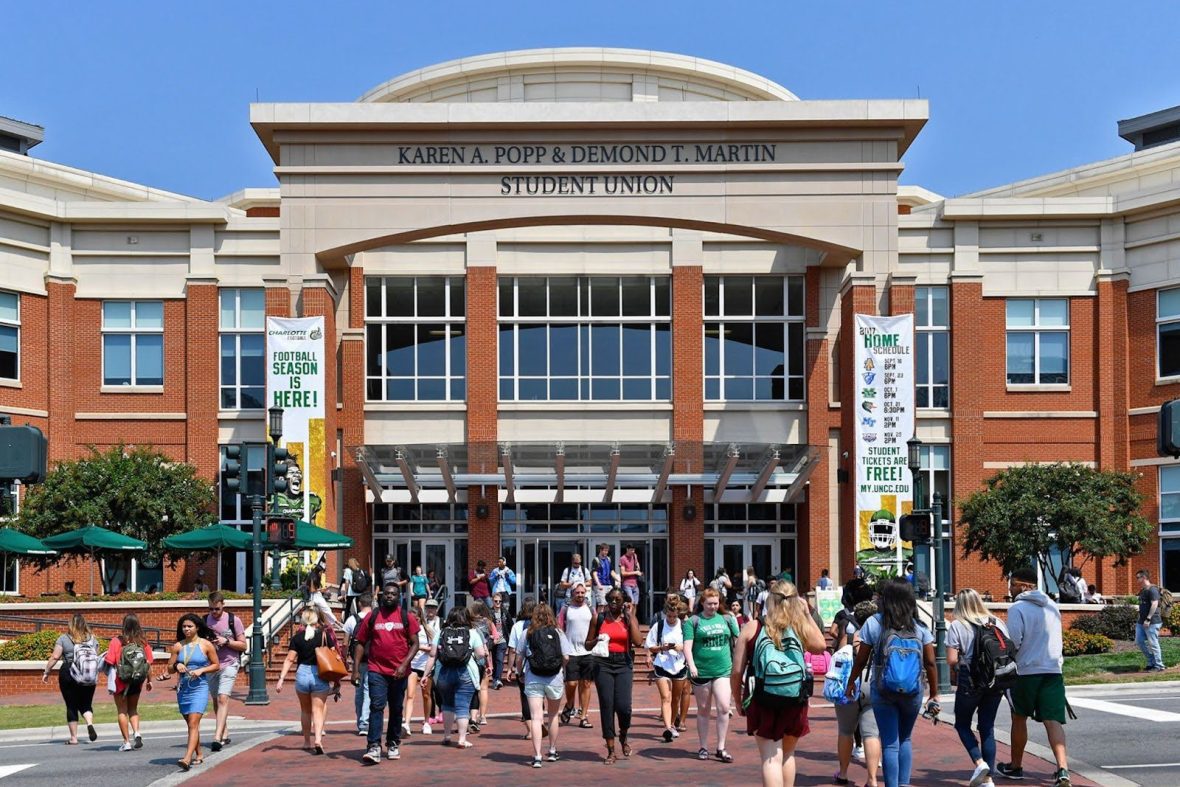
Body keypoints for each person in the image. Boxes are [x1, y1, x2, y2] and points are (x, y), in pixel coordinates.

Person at [731, 581, 826, 787]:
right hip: (794, 697)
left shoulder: (753, 627)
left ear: (770, 599)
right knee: (788, 755)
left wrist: (737, 700)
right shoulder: (798, 626)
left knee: (770, 757)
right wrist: (806, 613)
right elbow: (821, 645)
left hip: (762, 697)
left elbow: (737, 670)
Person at [846, 578, 938, 787]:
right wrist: (933, 693)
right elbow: (931, 663)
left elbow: (861, 659)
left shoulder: (875, 623)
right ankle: (904, 784)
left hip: (883, 689)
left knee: (890, 743)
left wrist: (852, 681)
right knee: (905, 739)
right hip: (913, 691)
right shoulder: (920, 627)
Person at [996, 567, 1071, 787]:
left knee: (1019, 718)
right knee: (1052, 720)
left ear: (1023, 585)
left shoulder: (1017, 608)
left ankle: (1016, 766)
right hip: (1052, 670)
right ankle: (1063, 769)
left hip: (1026, 672)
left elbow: (1014, 642)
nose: (1010, 589)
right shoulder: (1052, 606)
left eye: (1012, 584)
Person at [352, 581, 421, 764]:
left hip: (399, 672)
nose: (389, 596)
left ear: (399, 597)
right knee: (376, 706)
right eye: (387, 593)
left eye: (393, 594)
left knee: (396, 709)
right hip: (376, 669)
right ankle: (374, 745)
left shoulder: (406, 617)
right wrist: (356, 669)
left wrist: (404, 664)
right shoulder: (373, 616)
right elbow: (360, 642)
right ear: (382, 595)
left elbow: (415, 643)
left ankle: (392, 742)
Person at [948, 588, 1009, 787]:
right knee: (987, 727)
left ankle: (979, 761)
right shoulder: (996, 622)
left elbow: (951, 659)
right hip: (995, 679)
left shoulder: (958, 625)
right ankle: (988, 779)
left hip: (970, 679)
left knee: (962, 724)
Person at [684, 586, 741, 764]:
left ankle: (721, 747)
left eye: (716, 603)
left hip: (723, 669)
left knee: (724, 707)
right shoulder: (693, 621)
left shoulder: (727, 619)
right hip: (701, 671)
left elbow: (738, 641)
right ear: (702, 603)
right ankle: (703, 746)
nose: (713, 607)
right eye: (709, 604)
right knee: (703, 709)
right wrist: (691, 664)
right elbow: (687, 646)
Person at [586, 588, 644, 764]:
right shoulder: (599, 618)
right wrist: (598, 640)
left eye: (617, 600)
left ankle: (623, 735)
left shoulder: (628, 618)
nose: (613, 603)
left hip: (623, 663)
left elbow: (638, 641)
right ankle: (611, 750)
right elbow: (587, 645)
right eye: (610, 599)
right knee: (607, 705)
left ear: (623, 601)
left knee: (624, 706)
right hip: (603, 663)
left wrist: (630, 615)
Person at [158, 613, 220, 771]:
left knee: (193, 722)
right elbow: (169, 669)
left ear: (197, 627)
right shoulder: (178, 646)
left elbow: (216, 665)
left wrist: (201, 670)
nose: (186, 629)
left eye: (189, 626)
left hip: (199, 686)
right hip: (184, 688)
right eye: (184, 626)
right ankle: (199, 753)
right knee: (191, 724)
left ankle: (187, 758)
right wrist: (177, 665)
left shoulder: (206, 645)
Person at [276, 606, 340, 754]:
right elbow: (334, 655)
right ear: (317, 621)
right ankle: (318, 739)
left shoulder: (297, 638)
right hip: (319, 674)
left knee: (305, 711)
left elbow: (289, 659)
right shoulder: (323, 636)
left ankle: (306, 742)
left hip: (302, 674)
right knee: (317, 710)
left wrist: (281, 679)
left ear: (303, 622)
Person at [515, 602, 571, 768]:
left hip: (533, 677)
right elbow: (566, 657)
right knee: (553, 716)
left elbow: (519, 657)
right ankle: (552, 751)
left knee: (536, 717)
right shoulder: (558, 632)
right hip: (554, 678)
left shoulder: (528, 632)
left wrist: (520, 673)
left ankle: (538, 755)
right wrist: (560, 667)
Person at [422, 605, 487, 749]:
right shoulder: (472, 632)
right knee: (463, 706)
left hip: (444, 673)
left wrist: (425, 675)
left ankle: (447, 735)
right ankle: (462, 739)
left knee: (447, 704)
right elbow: (481, 653)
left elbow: (433, 655)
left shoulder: (441, 632)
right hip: (465, 672)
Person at [833, 601, 882, 787]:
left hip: (850, 684)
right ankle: (872, 778)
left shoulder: (851, 635)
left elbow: (839, 658)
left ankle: (844, 774)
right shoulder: (879, 634)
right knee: (871, 733)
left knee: (845, 730)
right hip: (872, 684)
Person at [41, 612, 99, 745]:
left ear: (70, 624)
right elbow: (95, 656)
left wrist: (46, 671)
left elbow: (55, 657)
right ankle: (89, 723)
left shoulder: (64, 638)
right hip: (87, 673)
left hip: (69, 672)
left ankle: (74, 738)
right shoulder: (92, 639)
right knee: (86, 703)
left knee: (71, 705)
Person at [104, 613, 154, 752]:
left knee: (122, 711)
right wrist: (150, 680)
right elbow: (148, 663)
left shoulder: (116, 641)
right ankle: (137, 732)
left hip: (121, 682)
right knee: (133, 709)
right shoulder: (143, 642)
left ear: (123, 625)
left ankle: (126, 742)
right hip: (137, 682)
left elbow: (110, 661)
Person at [205, 591, 246, 751]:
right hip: (212, 665)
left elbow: (243, 645)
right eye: (210, 609)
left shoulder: (233, 620)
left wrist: (226, 641)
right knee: (216, 700)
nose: (213, 613)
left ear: (223, 605)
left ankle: (217, 737)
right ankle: (224, 731)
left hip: (230, 663)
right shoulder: (204, 621)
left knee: (223, 698)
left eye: (216, 609)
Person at [647, 594, 688, 743]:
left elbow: (690, 645)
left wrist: (681, 647)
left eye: (674, 616)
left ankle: (672, 723)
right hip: (662, 663)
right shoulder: (659, 626)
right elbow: (650, 646)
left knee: (675, 698)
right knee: (666, 697)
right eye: (669, 616)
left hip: (679, 665)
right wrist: (660, 648)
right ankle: (668, 727)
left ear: (678, 614)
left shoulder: (684, 626)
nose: (671, 619)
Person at [557, 581, 596, 728]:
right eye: (577, 592)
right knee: (571, 683)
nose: (580, 595)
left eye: (582, 592)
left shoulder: (590, 609)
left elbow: (596, 625)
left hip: (587, 651)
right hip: (571, 651)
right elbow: (559, 628)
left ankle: (583, 716)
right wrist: (562, 649)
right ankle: (570, 704)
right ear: (572, 593)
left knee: (586, 684)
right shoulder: (566, 609)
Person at [506, 597, 540, 738]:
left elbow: (513, 650)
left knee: (525, 697)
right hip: (540, 665)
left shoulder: (517, 626)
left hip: (525, 667)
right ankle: (539, 724)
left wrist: (510, 668)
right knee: (539, 696)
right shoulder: (541, 624)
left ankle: (531, 730)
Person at [343, 592, 374, 736]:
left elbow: (345, 643)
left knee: (359, 690)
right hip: (372, 658)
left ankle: (360, 721)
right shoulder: (375, 617)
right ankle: (364, 722)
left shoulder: (351, 619)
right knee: (368, 690)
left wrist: (344, 659)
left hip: (357, 660)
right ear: (372, 603)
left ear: (360, 604)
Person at [416, 598, 442, 733]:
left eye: (433, 608)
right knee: (429, 690)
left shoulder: (440, 622)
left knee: (439, 687)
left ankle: (441, 710)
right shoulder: (422, 622)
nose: (430, 610)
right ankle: (431, 715)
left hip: (438, 658)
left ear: (437, 609)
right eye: (428, 608)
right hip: (424, 660)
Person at [468, 602, 494, 728]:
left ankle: (472, 715)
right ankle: (482, 716)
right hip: (485, 656)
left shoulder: (469, 623)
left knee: (472, 689)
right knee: (483, 688)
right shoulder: (488, 622)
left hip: (471, 658)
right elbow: (496, 637)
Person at [1135, 569, 1165, 672]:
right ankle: (1151, 661)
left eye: (1138, 577)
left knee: (1153, 643)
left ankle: (1159, 665)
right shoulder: (1143, 590)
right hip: (1141, 621)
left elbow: (1154, 604)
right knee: (1139, 641)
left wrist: (1148, 619)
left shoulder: (1152, 590)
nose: (1137, 580)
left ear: (1144, 577)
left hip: (1152, 621)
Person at [489, 591, 513, 689]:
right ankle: (495, 679)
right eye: (496, 601)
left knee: (499, 659)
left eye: (500, 601)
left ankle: (497, 679)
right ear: (492, 601)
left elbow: (511, 625)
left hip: (502, 640)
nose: (498, 603)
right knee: (495, 660)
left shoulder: (504, 612)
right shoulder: (489, 613)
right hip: (493, 640)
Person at [590, 544, 618, 612]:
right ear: (600, 550)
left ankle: (606, 620)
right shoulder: (596, 560)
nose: (606, 552)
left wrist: (618, 579)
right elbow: (594, 573)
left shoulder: (608, 559)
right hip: (600, 584)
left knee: (609, 604)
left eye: (607, 551)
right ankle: (599, 621)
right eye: (605, 551)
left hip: (608, 584)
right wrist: (598, 584)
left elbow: (611, 572)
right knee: (601, 604)